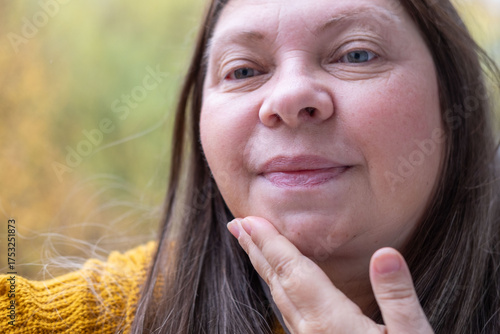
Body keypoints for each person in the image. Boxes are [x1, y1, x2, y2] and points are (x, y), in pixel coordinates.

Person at [1, 0, 499, 333]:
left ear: (452, 98)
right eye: (243, 70)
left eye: (357, 54)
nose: (288, 97)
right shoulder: (118, 313)